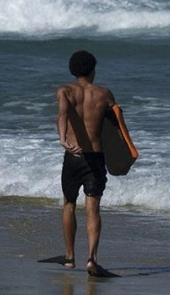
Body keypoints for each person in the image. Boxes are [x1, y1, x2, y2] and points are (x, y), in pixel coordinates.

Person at [56, 50, 115, 276]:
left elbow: (62, 114)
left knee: (69, 203)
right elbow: (116, 127)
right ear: (92, 70)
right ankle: (91, 259)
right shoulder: (104, 94)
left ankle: (70, 257)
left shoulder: (65, 91)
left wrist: (63, 140)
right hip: (95, 157)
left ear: (72, 70)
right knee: (93, 208)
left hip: (73, 156)